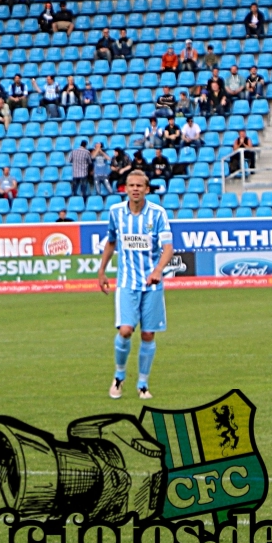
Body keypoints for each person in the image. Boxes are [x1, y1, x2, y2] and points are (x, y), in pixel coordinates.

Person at [95, 169, 173, 401]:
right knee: (126, 330)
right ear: (126, 189)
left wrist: (158, 270)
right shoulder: (116, 212)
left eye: (140, 185)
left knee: (148, 335)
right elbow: (111, 241)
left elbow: (168, 247)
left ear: (147, 189)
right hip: (127, 282)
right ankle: (119, 377)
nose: (135, 189)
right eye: (131, 185)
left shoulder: (157, 214)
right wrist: (102, 270)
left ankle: (143, 384)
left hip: (152, 284)